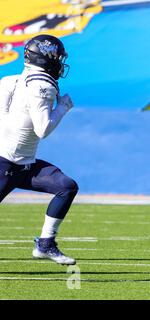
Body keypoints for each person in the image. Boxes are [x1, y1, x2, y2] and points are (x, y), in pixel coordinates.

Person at [0, 34, 78, 265]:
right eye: (57, 57)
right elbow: (43, 128)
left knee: (66, 186)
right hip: (6, 163)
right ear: (45, 58)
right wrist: (63, 107)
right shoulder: (41, 86)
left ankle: (45, 244)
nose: (60, 63)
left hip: (24, 164)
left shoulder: (11, 80)